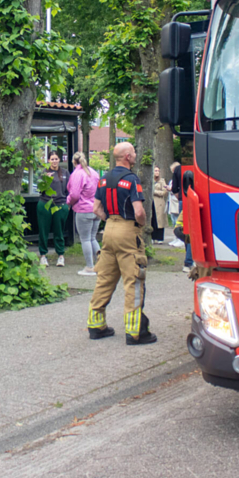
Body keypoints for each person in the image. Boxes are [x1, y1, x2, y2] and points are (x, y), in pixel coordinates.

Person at [86, 142, 156, 345]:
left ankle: (96, 325)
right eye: (133, 152)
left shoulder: (104, 179)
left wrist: (110, 220)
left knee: (105, 279)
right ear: (127, 156)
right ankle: (135, 332)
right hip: (127, 231)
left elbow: (96, 209)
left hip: (108, 231)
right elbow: (140, 212)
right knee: (133, 279)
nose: (135, 154)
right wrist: (139, 225)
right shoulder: (131, 179)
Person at [66, 152, 100, 277]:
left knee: (85, 239)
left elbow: (74, 194)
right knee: (93, 238)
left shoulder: (77, 174)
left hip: (83, 209)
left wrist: (68, 202)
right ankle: (101, 265)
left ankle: (90, 267)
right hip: (96, 209)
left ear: (74, 162)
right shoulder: (94, 173)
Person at [37, 151, 70, 267]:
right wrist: (46, 180)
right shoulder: (44, 173)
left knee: (59, 230)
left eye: (56, 159)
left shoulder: (65, 173)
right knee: (43, 230)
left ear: (59, 160)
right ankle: (43, 255)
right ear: (48, 161)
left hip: (60, 204)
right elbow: (40, 189)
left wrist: (67, 204)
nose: (54, 161)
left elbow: (69, 190)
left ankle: (60, 255)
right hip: (45, 203)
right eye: (52, 159)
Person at [151, 166, 168, 244]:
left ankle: (160, 238)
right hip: (152, 203)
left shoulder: (162, 180)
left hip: (159, 203)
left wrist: (155, 192)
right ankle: (153, 237)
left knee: (160, 221)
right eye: (155, 170)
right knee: (153, 220)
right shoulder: (150, 180)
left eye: (158, 170)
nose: (157, 172)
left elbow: (164, 192)